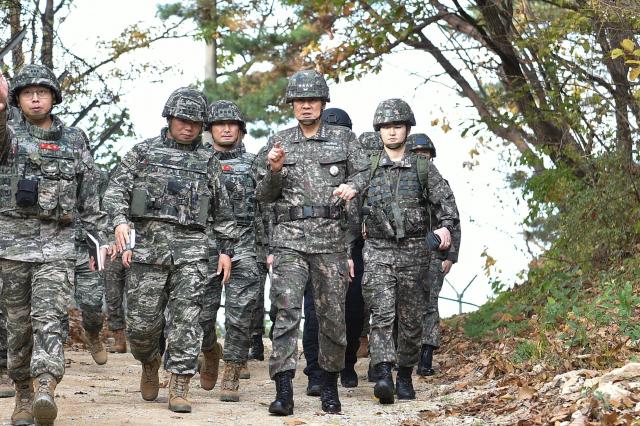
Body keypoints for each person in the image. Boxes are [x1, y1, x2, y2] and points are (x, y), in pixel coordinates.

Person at [102, 87, 236, 414]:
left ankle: (179, 384)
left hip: (193, 254)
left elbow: (224, 214)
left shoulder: (208, 162)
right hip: (147, 253)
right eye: (182, 120)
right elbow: (114, 193)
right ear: (169, 118)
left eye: (195, 122)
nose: (188, 127)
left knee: (186, 320)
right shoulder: (142, 153)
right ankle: (149, 362)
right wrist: (120, 222)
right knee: (142, 327)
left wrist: (225, 250)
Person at [0, 64, 109, 425]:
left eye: (42, 92)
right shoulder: (9, 132)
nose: (35, 98)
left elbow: (89, 194)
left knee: (50, 318)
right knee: (17, 327)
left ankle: (45, 383)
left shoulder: (75, 139)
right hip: (12, 247)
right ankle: (24, 393)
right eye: (27, 92)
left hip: (58, 246)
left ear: (53, 98)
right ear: (16, 98)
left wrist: (99, 240)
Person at [255, 69, 368, 416]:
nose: (306, 106)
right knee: (286, 312)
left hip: (330, 241)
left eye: (312, 100)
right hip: (289, 240)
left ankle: (329, 385)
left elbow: (367, 172)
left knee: (332, 316)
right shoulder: (279, 142)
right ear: (292, 105)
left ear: (322, 103)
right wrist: (274, 171)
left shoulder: (344, 140)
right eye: (299, 101)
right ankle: (284, 388)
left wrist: (355, 186)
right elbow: (262, 195)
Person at [361, 99, 459, 405]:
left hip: (415, 251)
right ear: (379, 130)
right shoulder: (368, 166)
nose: (392, 132)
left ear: (406, 129)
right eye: (387, 127)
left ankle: (404, 374)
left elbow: (448, 209)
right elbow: (350, 203)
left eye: (397, 126)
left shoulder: (423, 167)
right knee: (382, 314)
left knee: (412, 318)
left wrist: (444, 232)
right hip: (378, 249)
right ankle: (383, 375)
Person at [199, 100, 260, 402]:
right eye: (219, 124)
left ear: (239, 129)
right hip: (204, 249)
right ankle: (210, 349)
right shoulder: (196, 162)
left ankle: (232, 372)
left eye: (231, 124)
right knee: (201, 316)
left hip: (245, 247)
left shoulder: (254, 164)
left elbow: (268, 205)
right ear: (209, 129)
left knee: (240, 316)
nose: (225, 128)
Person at [301, 107, 365, 393]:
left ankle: (347, 363)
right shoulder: (309, 162)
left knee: (351, 309)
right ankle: (315, 371)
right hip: (316, 245)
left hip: (355, 248)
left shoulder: (358, 162)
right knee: (315, 311)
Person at [408, 133, 461, 376]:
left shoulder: (442, 185)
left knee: (429, 304)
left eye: (425, 155)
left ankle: (426, 356)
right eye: (417, 154)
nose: (421, 158)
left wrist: (451, 256)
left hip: (433, 252)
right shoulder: (401, 183)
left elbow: (453, 222)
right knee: (402, 303)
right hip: (405, 251)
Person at [73, 167, 110, 365]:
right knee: (52, 306)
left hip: (88, 249)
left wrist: (106, 240)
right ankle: (52, 356)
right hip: (55, 247)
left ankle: (93, 335)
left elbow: (106, 210)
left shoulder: (99, 177)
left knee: (93, 304)